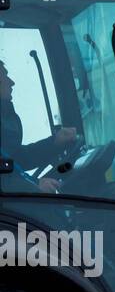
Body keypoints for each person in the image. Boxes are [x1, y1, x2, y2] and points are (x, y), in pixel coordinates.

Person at [0, 59, 78, 193]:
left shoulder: (6, 117)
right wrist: (33, 185)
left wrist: (54, 142)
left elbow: (14, 160)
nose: (12, 82)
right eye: (4, 75)